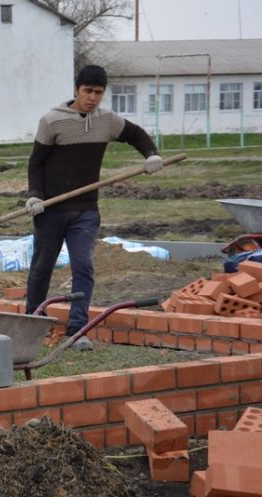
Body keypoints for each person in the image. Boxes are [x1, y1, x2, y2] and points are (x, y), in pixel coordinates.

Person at [24, 65, 164, 351]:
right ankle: (31, 323)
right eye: (88, 91)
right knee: (41, 268)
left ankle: (76, 331)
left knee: (83, 266)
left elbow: (136, 134)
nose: (93, 98)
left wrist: (152, 154)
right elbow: (36, 162)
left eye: (99, 93)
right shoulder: (52, 121)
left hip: (85, 211)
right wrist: (35, 195)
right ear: (76, 90)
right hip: (50, 210)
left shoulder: (107, 121)